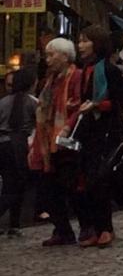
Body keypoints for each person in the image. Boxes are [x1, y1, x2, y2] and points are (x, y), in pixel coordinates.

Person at [73, 26, 123, 248]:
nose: (80, 45)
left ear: (97, 44)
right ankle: (95, 228)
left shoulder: (109, 70)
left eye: (85, 41)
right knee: (87, 180)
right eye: (79, 41)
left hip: (107, 130)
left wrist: (98, 105)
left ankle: (106, 228)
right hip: (89, 131)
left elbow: (121, 100)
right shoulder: (84, 70)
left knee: (100, 180)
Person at [30, 39, 83, 246]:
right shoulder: (49, 81)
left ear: (65, 56)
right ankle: (62, 229)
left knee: (71, 187)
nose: (48, 59)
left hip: (66, 140)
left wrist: (67, 126)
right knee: (49, 188)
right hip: (48, 139)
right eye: (47, 55)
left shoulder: (76, 76)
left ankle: (84, 227)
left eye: (52, 55)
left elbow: (78, 104)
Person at [0, 68, 37, 236]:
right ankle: (14, 223)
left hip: (3, 144)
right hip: (19, 145)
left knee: (10, 185)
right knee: (17, 186)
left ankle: (14, 224)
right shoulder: (31, 102)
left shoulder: (3, 102)